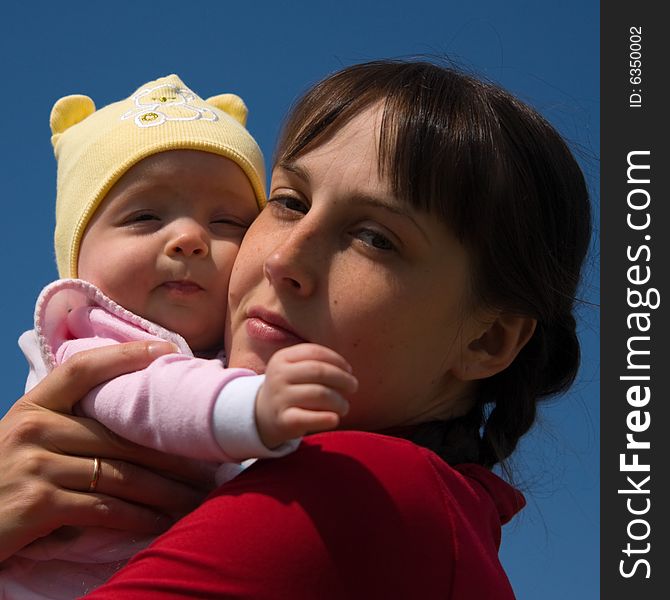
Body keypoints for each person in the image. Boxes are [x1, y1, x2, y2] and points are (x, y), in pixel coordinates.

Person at [0, 59, 591, 599]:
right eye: (288, 202)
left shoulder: (356, 493)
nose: (285, 259)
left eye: (375, 238)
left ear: (487, 339)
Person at [1, 75, 355, 599]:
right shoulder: (96, 341)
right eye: (144, 216)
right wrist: (254, 407)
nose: (189, 239)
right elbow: (154, 397)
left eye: (228, 222)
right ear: (77, 259)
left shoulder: (238, 351)